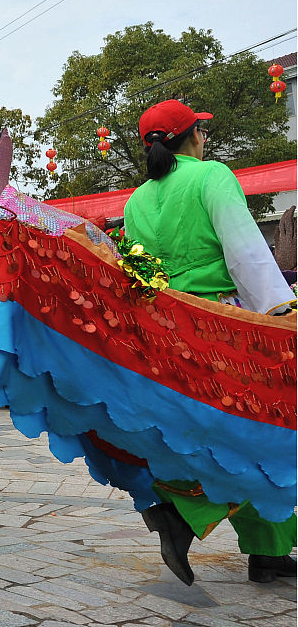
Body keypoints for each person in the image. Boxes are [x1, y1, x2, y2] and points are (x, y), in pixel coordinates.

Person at [121, 99, 296, 585]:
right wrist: (282, 312)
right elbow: (246, 251)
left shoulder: (136, 201)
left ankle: (269, 549)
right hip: (224, 331)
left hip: (167, 335)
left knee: (214, 438)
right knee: (259, 435)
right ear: (194, 134)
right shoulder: (212, 176)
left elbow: (140, 275)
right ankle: (182, 516)